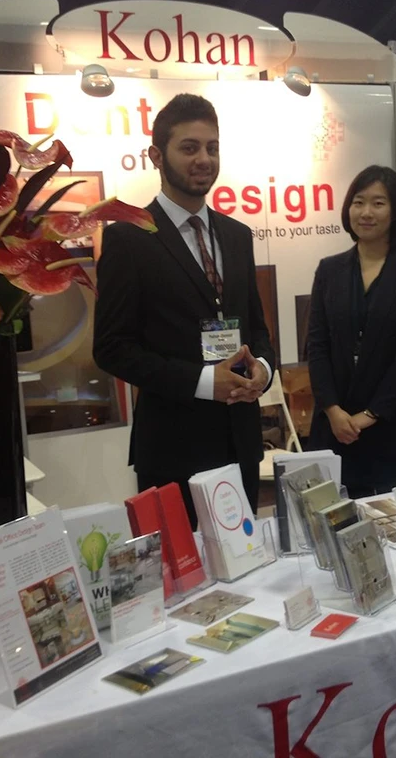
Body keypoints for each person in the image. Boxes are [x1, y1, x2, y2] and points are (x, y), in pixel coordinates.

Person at [94, 94, 275, 529]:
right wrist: (203, 382)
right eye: (189, 148)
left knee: (247, 562)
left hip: (240, 443)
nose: (204, 159)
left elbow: (255, 327)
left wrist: (263, 370)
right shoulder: (129, 238)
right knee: (182, 571)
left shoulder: (237, 236)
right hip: (172, 449)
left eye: (212, 147)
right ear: (157, 156)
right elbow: (112, 349)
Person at [307, 166, 396, 498]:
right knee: (337, 520)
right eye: (358, 202)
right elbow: (317, 345)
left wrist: (371, 414)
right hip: (335, 427)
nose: (366, 212)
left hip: (394, 426)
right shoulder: (329, 269)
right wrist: (332, 410)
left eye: (378, 203)